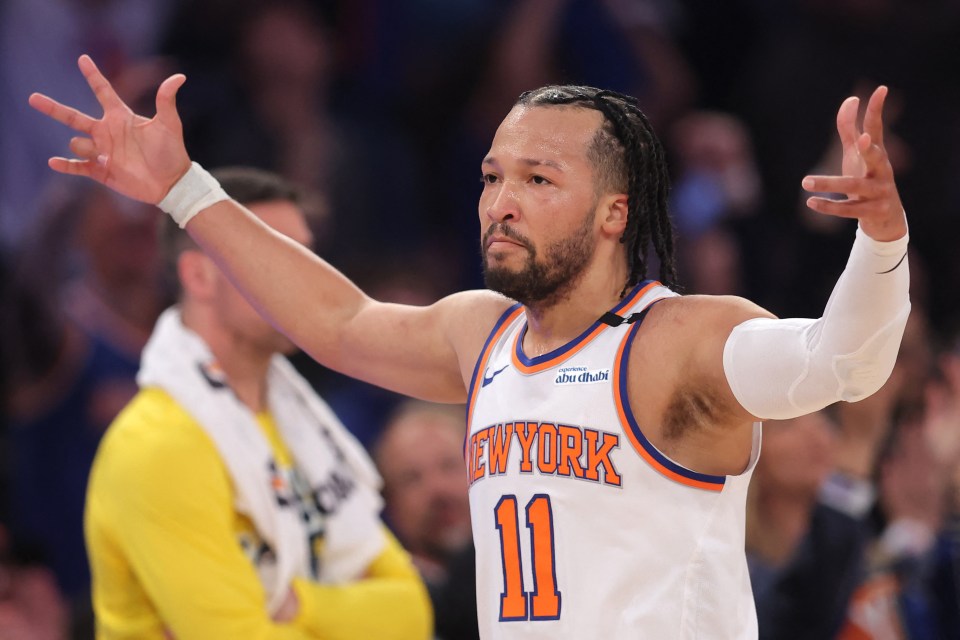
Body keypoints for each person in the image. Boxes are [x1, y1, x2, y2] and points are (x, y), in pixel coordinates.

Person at [30, 55, 910, 639]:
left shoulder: (681, 339)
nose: (501, 202)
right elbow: (336, 323)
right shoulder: (479, 333)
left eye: (538, 178)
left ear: (616, 212)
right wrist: (182, 189)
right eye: (493, 176)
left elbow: (841, 362)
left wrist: (880, 244)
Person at [81, 166, 432, 639]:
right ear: (199, 277)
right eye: (275, 256)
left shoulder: (304, 421)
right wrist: (351, 615)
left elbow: (411, 613)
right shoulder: (159, 444)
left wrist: (298, 605)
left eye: (307, 258)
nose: (307, 281)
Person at [373, 400, 479, 640]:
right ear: (390, 505)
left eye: (449, 465)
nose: (437, 489)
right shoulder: (386, 606)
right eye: (412, 478)